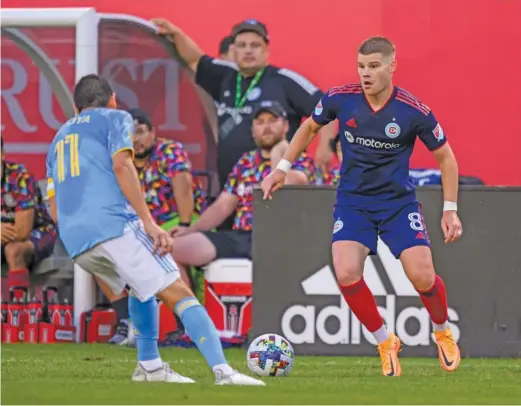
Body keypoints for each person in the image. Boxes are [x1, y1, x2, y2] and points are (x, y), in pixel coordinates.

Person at [261, 36, 463, 377]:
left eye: (373, 66)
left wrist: (450, 208)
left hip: (397, 203)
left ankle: (443, 331)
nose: (365, 74)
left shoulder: (414, 112)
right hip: (353, 201)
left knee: (422, 275)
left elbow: (446, 158)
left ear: (391, 66)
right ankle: (385, 341)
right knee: (345, 272)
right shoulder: (342, 99)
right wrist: (282, 169)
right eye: (361, 66)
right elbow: (309, 128)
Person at [45, 73, 263, 386]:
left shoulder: (58, 139)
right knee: (179, 291)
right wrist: (148, 223)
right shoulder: (115, 117)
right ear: (112, 100)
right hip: (113, 225)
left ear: (77, 108)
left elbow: (54, 204)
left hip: (76, 239)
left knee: (140, 288)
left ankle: (149, 366)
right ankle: (224, 372)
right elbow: (122, 166)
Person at [150, 17, 335, 194]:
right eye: (242, 45)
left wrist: (325, 147)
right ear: (233, 50)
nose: (248, 51)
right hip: (230, 186)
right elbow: (194, 60)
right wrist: (175, 33)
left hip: (274, 185)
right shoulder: (225, 75)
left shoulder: (284, 80)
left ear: (266, 51)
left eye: (255, 45)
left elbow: (327, 108)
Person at [98, 108, 207, 346]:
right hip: (138, 229)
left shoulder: (168, 151)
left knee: (169, 247)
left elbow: (184, 186)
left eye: (139, 132)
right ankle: (126, 322)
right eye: (129, 134)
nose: (135, 139)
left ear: (153, 133)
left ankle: (184, 323)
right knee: (97, 254)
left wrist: (185, 224)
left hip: (177, 222)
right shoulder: (119, 160)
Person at [170, 101, 315, 276]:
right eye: (260, 122)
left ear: (285, 126)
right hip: (242, 237)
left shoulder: (301, 159)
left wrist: (280, 153)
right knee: (172, 247)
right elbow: (223, 205)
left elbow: (293, 183)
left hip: (280, 239)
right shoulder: (245, 162)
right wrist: (191, 230)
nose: (266, 127)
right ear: (253, 131)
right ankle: (190, 304)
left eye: (272, 120)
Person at [1, 137, 57, 294]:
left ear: (2, 155)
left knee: (14, 251)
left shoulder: (20, 178)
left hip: (38, 232)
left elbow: (21, 231)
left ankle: (18, 312)